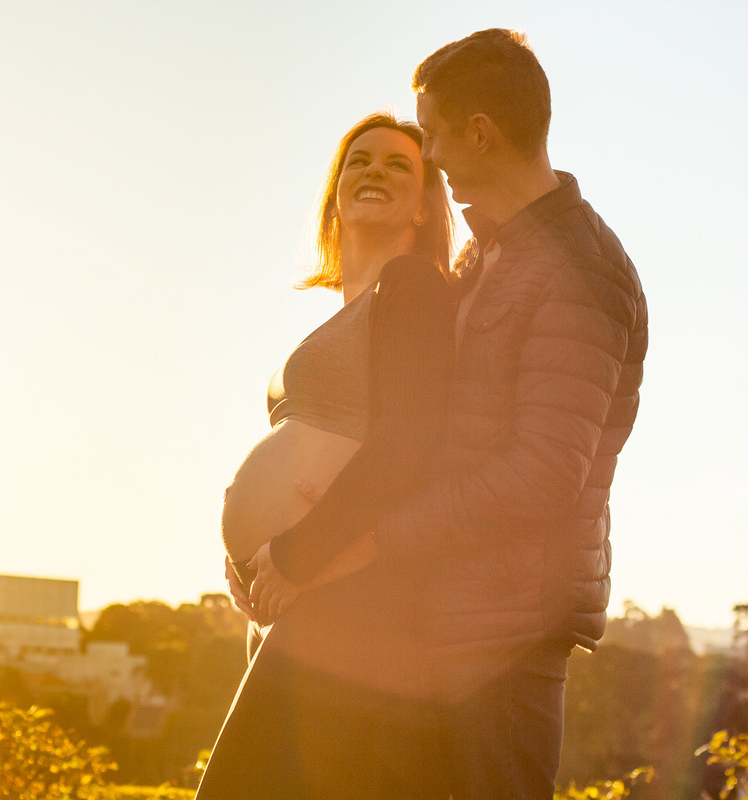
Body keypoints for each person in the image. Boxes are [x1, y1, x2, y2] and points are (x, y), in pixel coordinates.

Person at [249, 29, 649, 799]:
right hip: (437, 631)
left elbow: (541, 476)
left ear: (480, 132)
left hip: (504, 650)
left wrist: (365, 543)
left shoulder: (581, 269)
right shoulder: (488, 255)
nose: (424, 152)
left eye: (428, 133)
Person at [198, 113, 458, 799]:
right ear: (334, 192)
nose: (374, 171)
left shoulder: (414, 287)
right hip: (296, 604)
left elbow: (412, 441)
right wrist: (256, 562)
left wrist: (297, 553)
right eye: (358, 161)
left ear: (426, 204)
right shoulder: (344, 314)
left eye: (399, 165)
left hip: (346, 605)